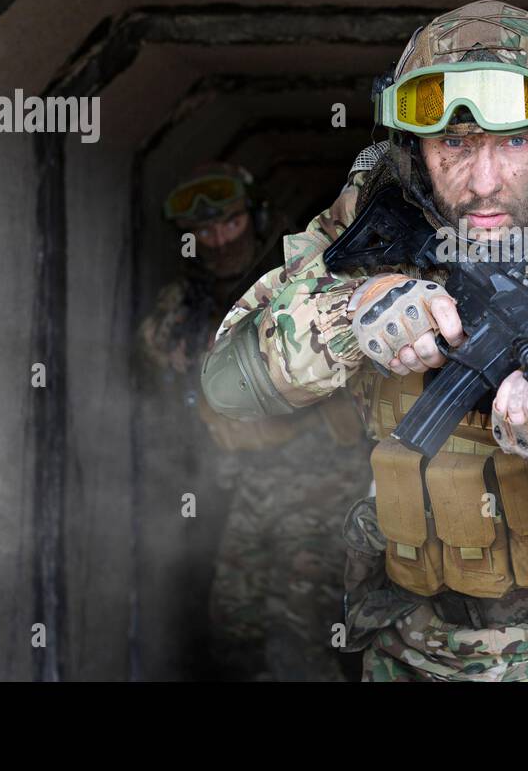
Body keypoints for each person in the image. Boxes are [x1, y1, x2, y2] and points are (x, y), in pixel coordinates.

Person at [201, 0, 528, 681]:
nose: (483, 183)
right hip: (411, 636)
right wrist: (352, 311)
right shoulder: (379, 204)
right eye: (453, 143)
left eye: (517, 141)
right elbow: (228, 385)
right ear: (414, 149)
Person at [138, 162, 369, 680]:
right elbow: (160, 375)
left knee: (300, 629)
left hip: (323, 483)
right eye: (203, 230)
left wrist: (291, 419)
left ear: (257, 217)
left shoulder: (300, 283)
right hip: (247, 485)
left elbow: (357, 383)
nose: (217, 240)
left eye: (230, 223)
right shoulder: (182, 307)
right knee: (235, 624)